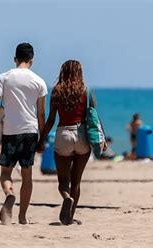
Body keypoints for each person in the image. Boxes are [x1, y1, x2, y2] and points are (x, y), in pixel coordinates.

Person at [0, 43, 47, 225]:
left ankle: (10, 193)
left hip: (10, 131)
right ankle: (22, 216)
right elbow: (41, 114)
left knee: (6, 172)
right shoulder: (39, 81)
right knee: (27, 175)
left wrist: (1, 112)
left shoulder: (5, 77)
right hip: (30, 131)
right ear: (32, 60)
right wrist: (42, 137)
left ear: (15, 59)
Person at [37, 60, 94, 225]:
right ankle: (69, 217)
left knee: (63, 182)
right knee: (76, 181)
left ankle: (66, 197)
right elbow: (94, 118)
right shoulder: (86, 91)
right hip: (82, 135)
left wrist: (42, 140)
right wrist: (101, 139)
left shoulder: (57, 91)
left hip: (63, 134)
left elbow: (51, 120)